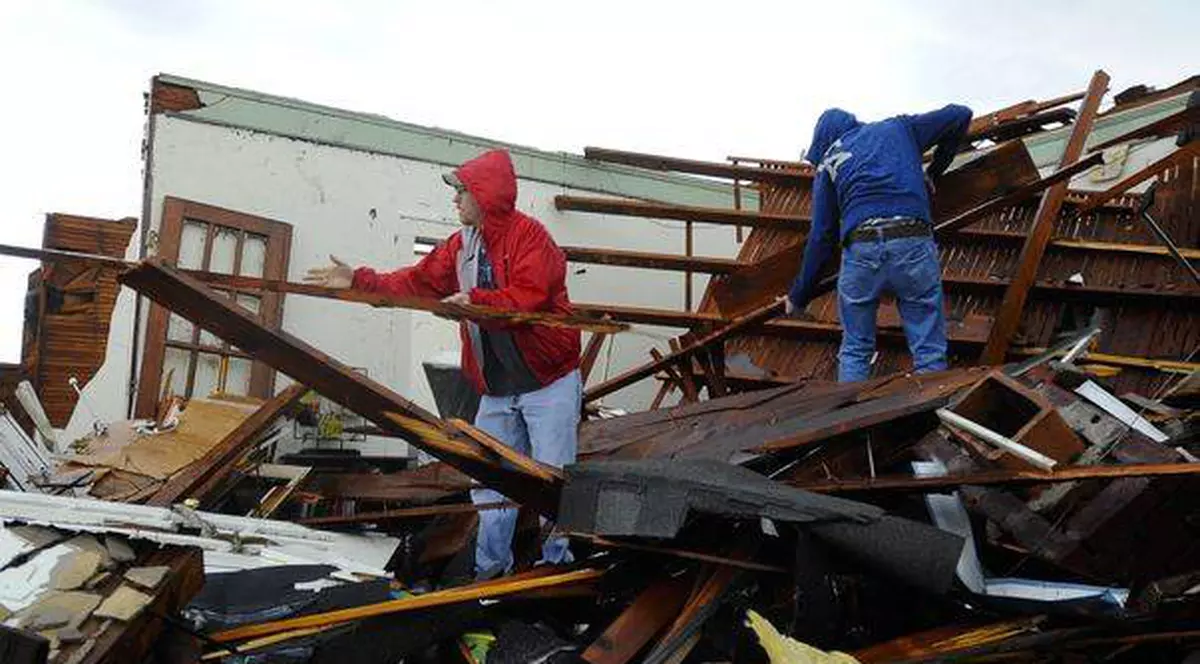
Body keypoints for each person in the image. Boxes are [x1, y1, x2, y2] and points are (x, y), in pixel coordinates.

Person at [304, 149, 582, 579]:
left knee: (552, 479)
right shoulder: (460, 246)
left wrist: (476, 303)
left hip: (548, 381)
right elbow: (418, 281)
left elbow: (530, 297)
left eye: (462, 192)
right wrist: (360, 280)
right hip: (496, 387)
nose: (455, 200)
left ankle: (557, 568)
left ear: (485, 196)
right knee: (489, 484)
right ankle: (491, 572)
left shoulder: (533, 238)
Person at [786, 105, 972, 382]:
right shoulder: (899, 129)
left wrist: (798, 296)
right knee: (929, 351)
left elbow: (822, 236)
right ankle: (932, 419)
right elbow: (961, 114)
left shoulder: (829, 161)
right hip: (911, 240)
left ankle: (851, 422)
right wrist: (935, 171)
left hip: (862, 249)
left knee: (855, 349)